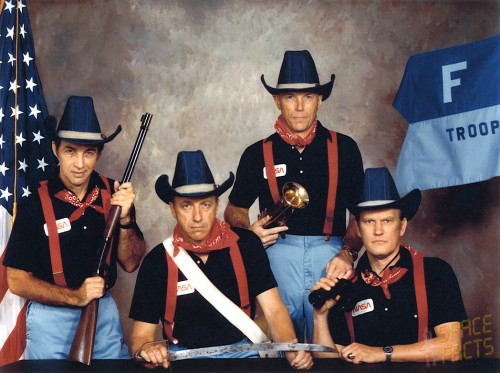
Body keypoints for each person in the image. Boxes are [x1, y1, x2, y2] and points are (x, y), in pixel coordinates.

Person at [224, 50, 364, 342]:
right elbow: (235, 208)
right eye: (290, 98)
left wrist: (348, 253)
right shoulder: (255, 153)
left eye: (308, 97)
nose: (299, 107)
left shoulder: (345, 148)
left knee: (331, 347)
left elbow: (361, 214)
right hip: (275, 256)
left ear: (320, 100)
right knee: (277, 348)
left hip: (331, 256)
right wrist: (249, 236)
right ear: (277, 100)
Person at [129, 150, 313, 370]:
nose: (197, 217)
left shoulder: (246, 245)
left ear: (216, 204)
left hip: (244, 355)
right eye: (187, 205)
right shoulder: (156, 261)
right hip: (182, 359)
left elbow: (274, 310)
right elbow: (140, 337)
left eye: (205, 205)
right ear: (173, 209)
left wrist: (290, 348)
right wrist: (147, 351)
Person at [2, 96, 147, 359]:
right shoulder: (34, 204)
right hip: (50, 319)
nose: (80, 164)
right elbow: (16, 281)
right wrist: (75, 297)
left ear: (99, 153)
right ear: (55, 149)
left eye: (88, 152)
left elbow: (130, 262)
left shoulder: (116, 194)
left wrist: (126, 220)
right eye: (71, 151)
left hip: (102, 313)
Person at [311, 167, 467, 364]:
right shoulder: (345, 284)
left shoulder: (436, 273)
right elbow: (328, 363)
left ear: (402, 226)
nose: (378, 230)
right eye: (369, 221)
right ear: (358, 229)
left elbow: (451, 347)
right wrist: (320, 317)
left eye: (386, 220)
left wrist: (381, 353)